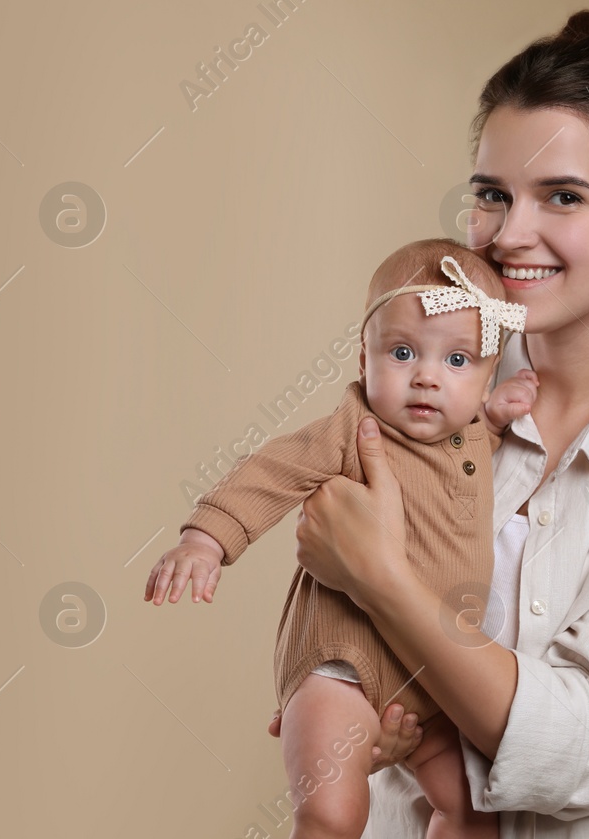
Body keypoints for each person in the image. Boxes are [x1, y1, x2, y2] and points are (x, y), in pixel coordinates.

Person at [268, 0, 589, 836]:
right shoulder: (428, 391)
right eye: (493, 194)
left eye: (564, 197)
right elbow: (333, 621)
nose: (510, 234)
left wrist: (382, 579)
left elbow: (584, 752)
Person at [147, 238, 542, 838]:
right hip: (341, 667)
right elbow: (272, 471)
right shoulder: (352, 429)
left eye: (457, 362)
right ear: (365, 359)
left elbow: (467, 458)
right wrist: (206, 540)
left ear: (489, 376)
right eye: (404, 353)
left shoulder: (470, 441)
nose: (428, 379)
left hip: (432, 680)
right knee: (332, 813)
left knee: (469, 812)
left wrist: (489, 421)